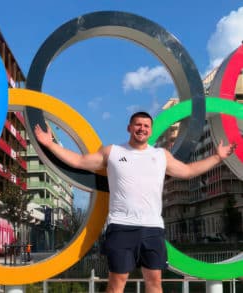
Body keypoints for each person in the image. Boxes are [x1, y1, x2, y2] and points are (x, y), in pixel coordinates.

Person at [34, 112, 236, 293]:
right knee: (117, 282)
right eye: (138, 125)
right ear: (129, 128)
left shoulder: (160, 155)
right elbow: (79, 161)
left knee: (155, 281)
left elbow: (189, 171)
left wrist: (218, 157)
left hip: (152, 229)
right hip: (121, 226)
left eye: (146, 126)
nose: (142, 128)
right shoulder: (113, 152)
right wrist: (49, 143)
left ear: (151, 131)